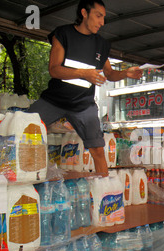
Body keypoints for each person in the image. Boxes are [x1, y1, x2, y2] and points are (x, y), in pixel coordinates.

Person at [28, 0, 143, 176]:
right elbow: (54, 69)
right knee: (21, 129)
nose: (102, 22)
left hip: (83, 105)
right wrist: (84, 73)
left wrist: (126, 73)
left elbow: (110, 74)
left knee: (98, 150)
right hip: (53, 100)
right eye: (98, 16)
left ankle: (105, 189)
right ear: (84, 13)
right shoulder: (63, 34)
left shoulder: (102, 44)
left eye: (104, 18)